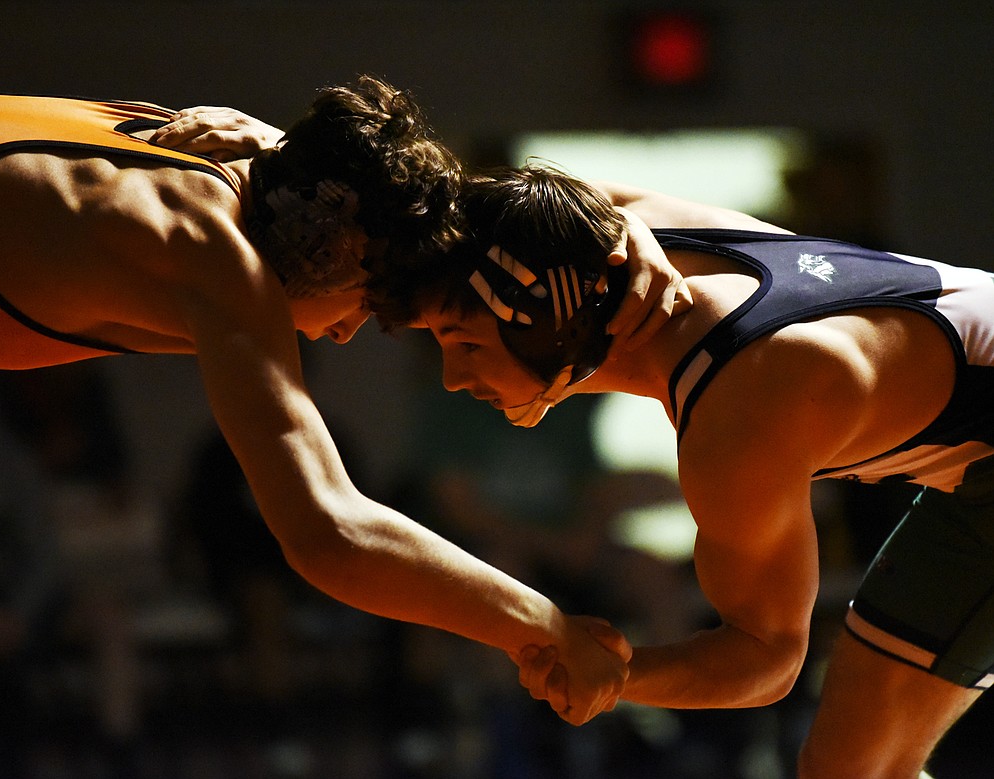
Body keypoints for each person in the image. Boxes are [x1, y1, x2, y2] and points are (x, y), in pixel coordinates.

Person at [0, 80, 685, 775]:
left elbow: (387, 177)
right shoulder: (204, 247)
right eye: (365, 305)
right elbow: (330, 532)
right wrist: (544, 623)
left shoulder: (233, 160)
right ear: (335, 252)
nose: (347, 331)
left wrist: (623, 225)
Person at [385, 164, 993, 778]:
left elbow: (769, 658)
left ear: (549, 323)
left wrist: (613, 675)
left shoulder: (742, 408)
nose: (453, 379)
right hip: (975, 472)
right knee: (852, 769)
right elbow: (504, 201)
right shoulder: (627, 231)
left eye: (465, 343)